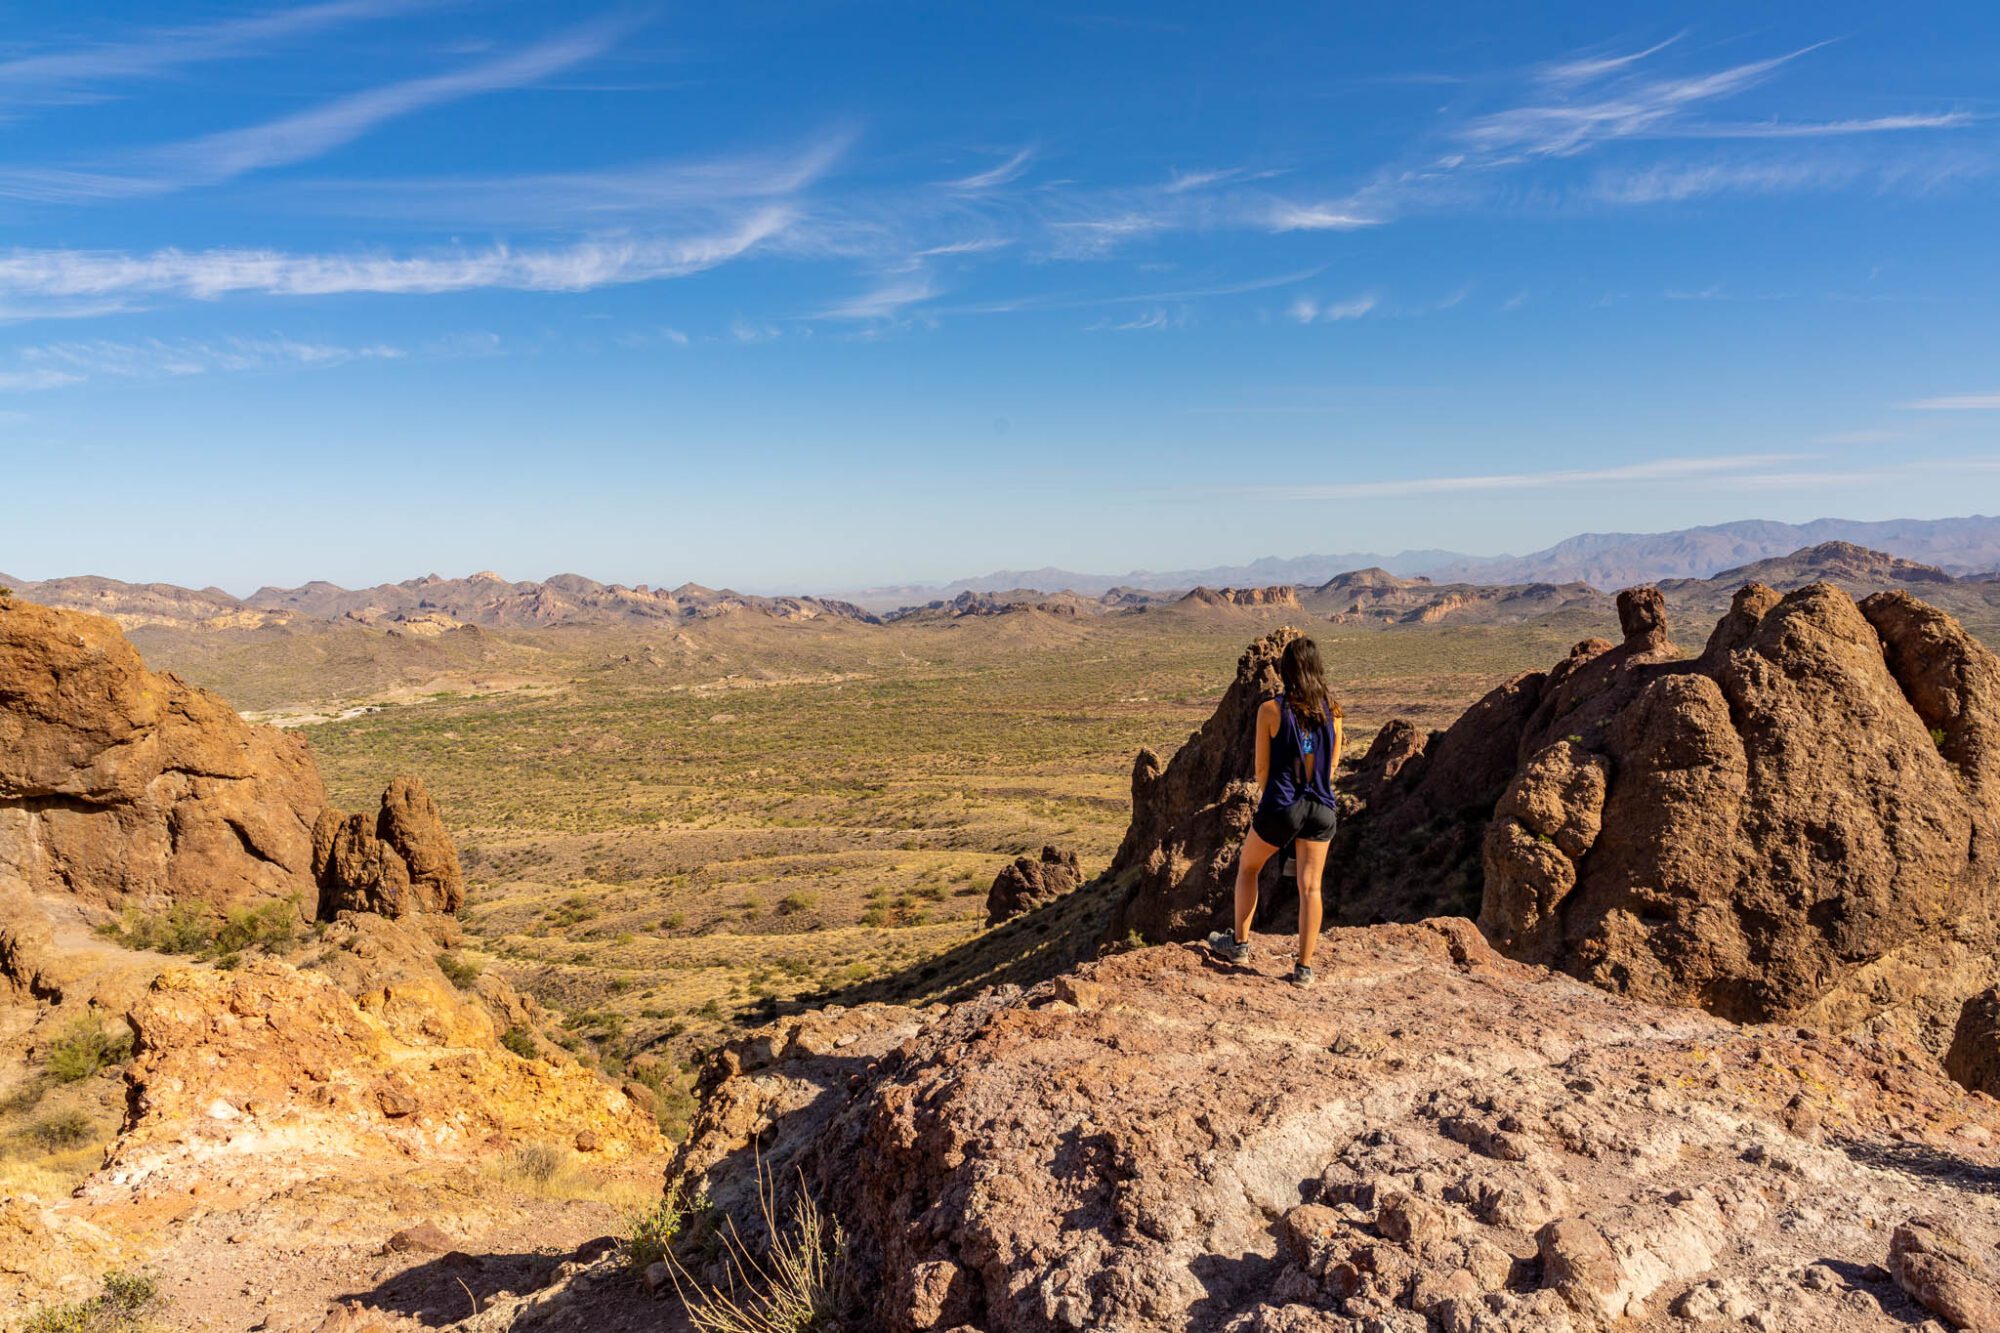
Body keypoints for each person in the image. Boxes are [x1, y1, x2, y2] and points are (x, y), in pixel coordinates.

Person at [1206, 635, 1344, 987]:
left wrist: (1279, 812)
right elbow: (1330, 769)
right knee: (1310, 888)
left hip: (1284, 805)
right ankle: (1304, 969)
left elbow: (1262, 771)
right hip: (1322, 807)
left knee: (1248, 867)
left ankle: (1238, 944)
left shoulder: (1270, 710)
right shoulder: (1335, 711)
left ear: (1286, 670)